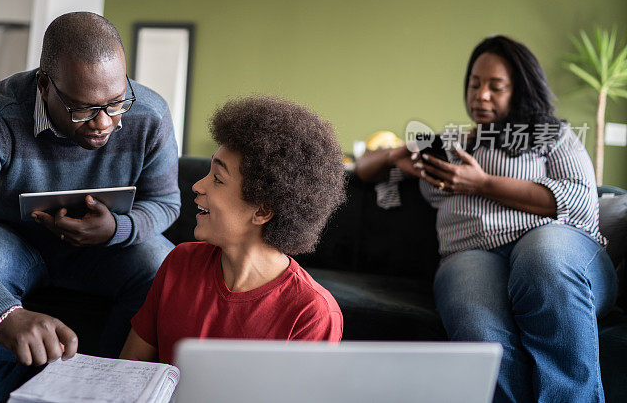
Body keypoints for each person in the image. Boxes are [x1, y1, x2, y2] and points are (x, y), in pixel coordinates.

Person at [0, 12, 180, 365]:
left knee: (163, 264)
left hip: (105, 252)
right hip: (9, 239)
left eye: (116, 102)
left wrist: (116, 228)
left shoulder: (150, 114)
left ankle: (106, 384)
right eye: (83, 109)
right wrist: (3, 314)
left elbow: (166, 202)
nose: (104, 122)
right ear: (44, 85)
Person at [355, 35, 618, 402]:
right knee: (481, 333)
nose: (481, 95)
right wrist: (394, 155)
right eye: (475, 84)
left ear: (520, 90)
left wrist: (481, 183)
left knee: (543, 257)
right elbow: (362, 169)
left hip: (552, 240)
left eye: (496, 87)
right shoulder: (448, 145)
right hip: (471, 253)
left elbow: (577, 199)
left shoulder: (553, 135)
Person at [120, 97, 346, 364]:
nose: (197, 186)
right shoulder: (179, 263)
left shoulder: (312, 313)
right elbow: (129, 372)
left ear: (262, 211)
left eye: (217, 179)